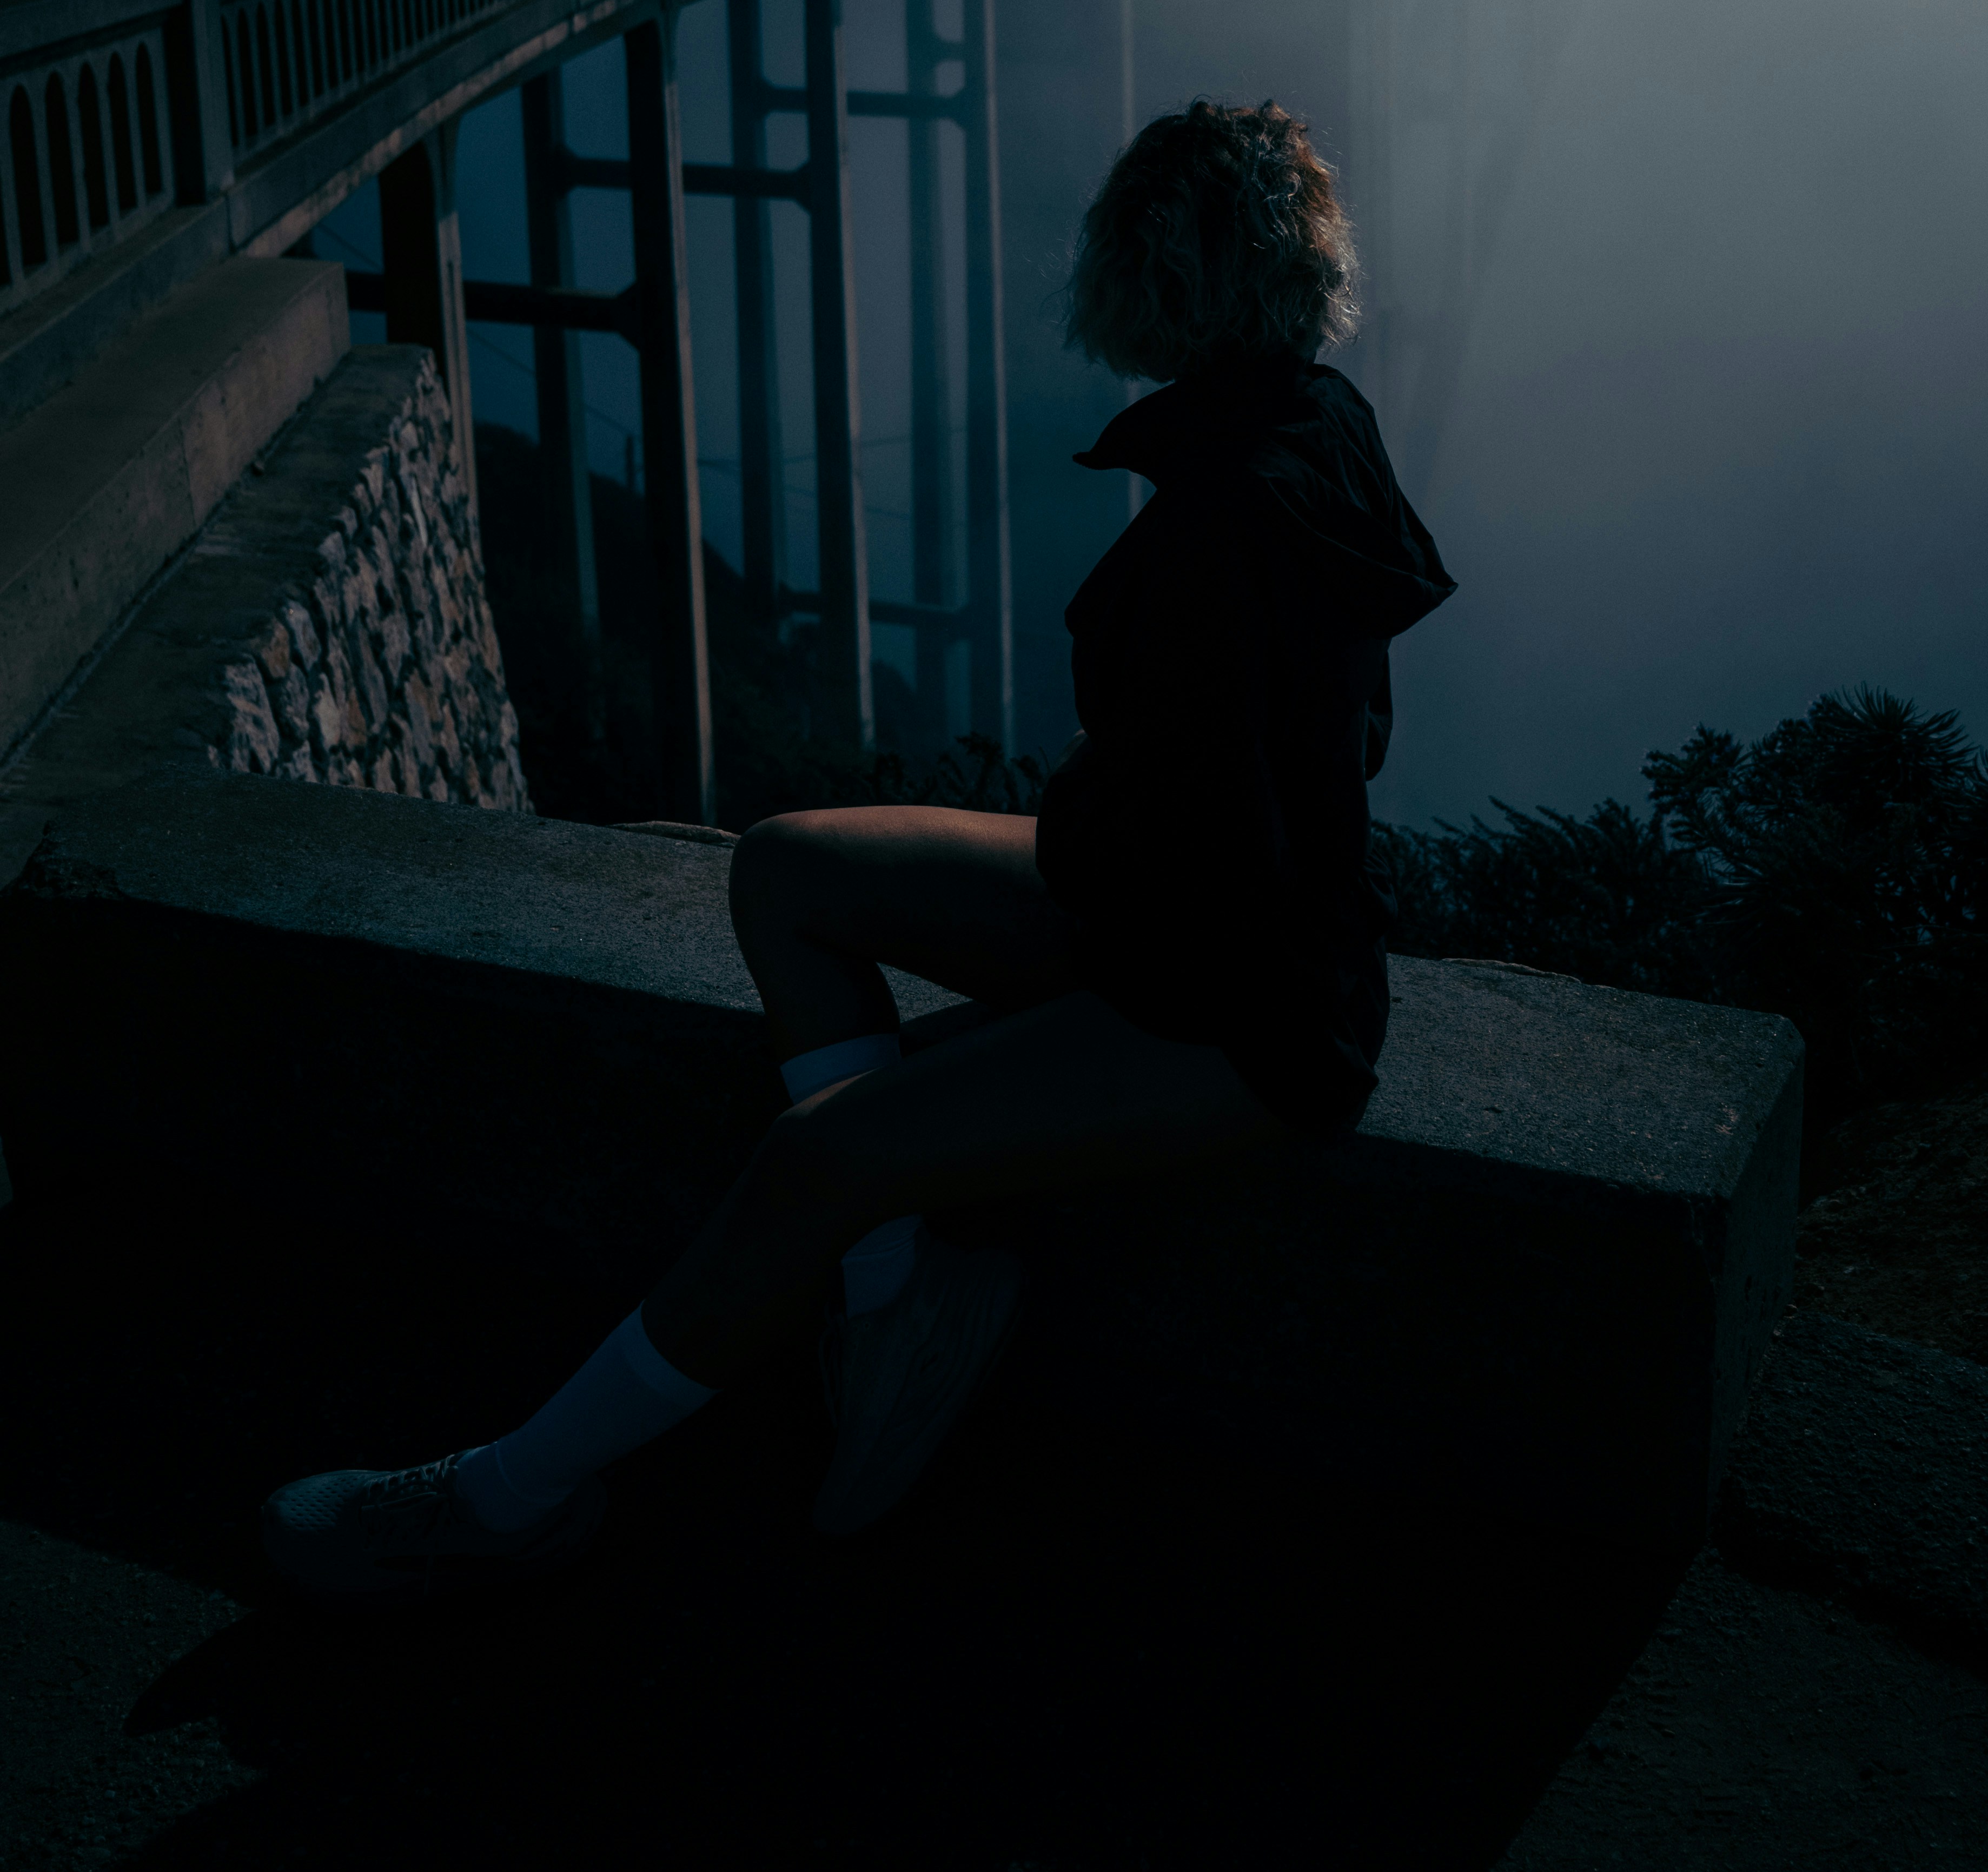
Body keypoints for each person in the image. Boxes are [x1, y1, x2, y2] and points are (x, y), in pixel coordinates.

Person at [262, 98, 1453, 1601]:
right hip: (1202, 921)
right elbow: (1340, 744)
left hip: (1237, 1009)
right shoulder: (1307, 423)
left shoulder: (1226, 517)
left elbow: (1202, 867)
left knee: (816, 1161)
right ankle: (902, 1314)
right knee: (786, 868)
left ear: (1153, 280)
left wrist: (1030, 1015)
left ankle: (506, 1494)